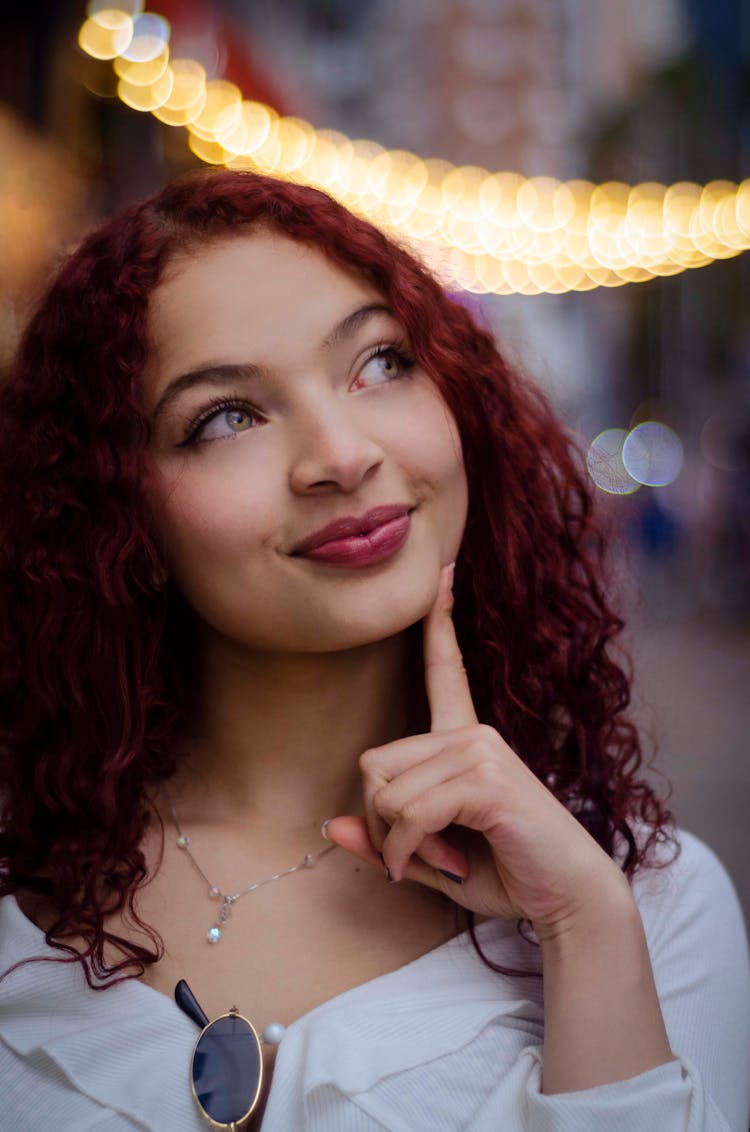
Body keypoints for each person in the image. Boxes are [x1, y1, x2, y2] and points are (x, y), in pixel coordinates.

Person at [0, 168, 747, 1132]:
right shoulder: (23, 888)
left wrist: (583, 931)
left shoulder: (646, 903)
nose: (343, 454)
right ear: (117, 519)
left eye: (380, 363)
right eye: (227, 416)